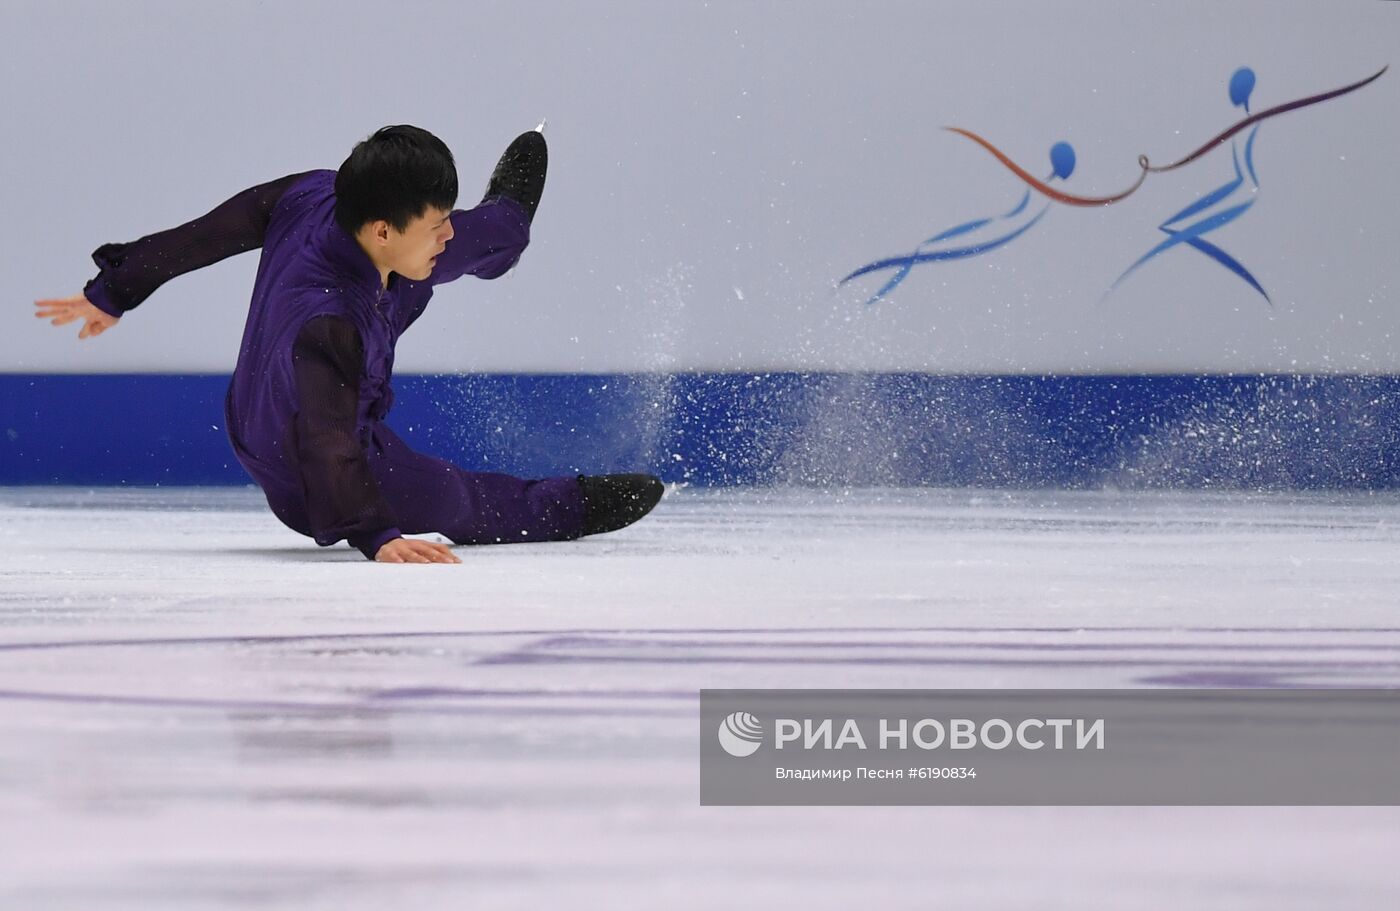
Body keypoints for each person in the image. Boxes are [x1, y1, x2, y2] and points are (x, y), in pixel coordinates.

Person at [34, 125, 663, 564]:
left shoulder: (315, 193)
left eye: (446, 213)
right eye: (435, 220)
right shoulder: (332, 324)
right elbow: (327, 437)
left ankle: (509, 227)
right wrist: (375, 532)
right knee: (456, 499)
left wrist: (115, 288)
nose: (447, 229)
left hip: (334, 337)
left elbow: (206, 235)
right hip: (297, 459)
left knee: (467, 244)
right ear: (384, 227)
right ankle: (571, 506)